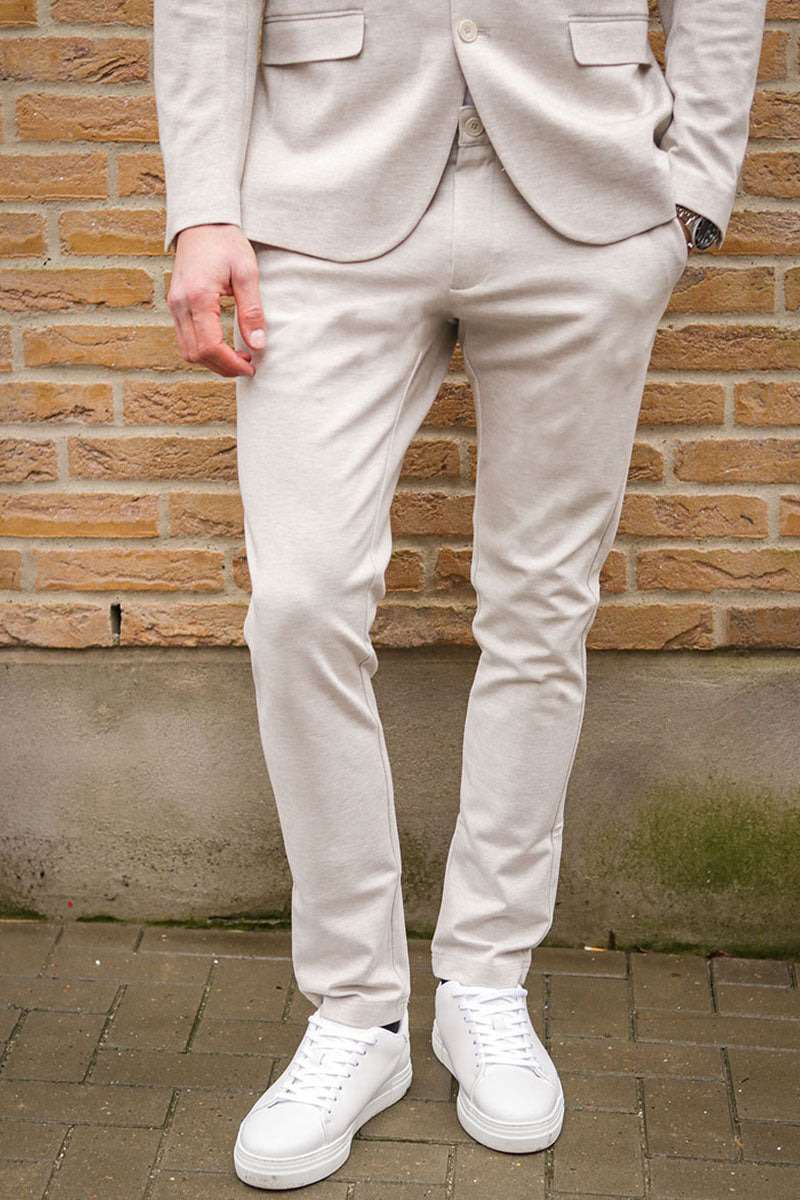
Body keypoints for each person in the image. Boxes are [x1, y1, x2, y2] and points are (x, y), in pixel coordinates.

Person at [153, 0, 767, 1190]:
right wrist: (203, 206)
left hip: (585, 196)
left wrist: (690, 188)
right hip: (323, 196)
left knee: (540, 610)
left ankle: (485, 981)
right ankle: (358, 1012)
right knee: (300, 604)